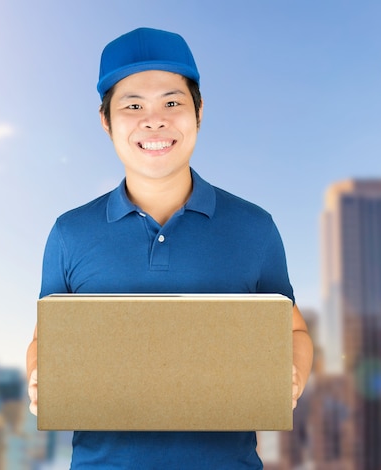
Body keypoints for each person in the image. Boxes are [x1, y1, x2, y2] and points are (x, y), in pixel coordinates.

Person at [27, 27, 313, 469]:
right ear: (106, 120)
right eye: (133, 105)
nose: (154, 119)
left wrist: (291, 374)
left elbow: (292, 330)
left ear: (199, 112)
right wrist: (39, 375)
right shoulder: (71, 233)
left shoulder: (255, 228)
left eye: (172, 102)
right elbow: (46, 337)